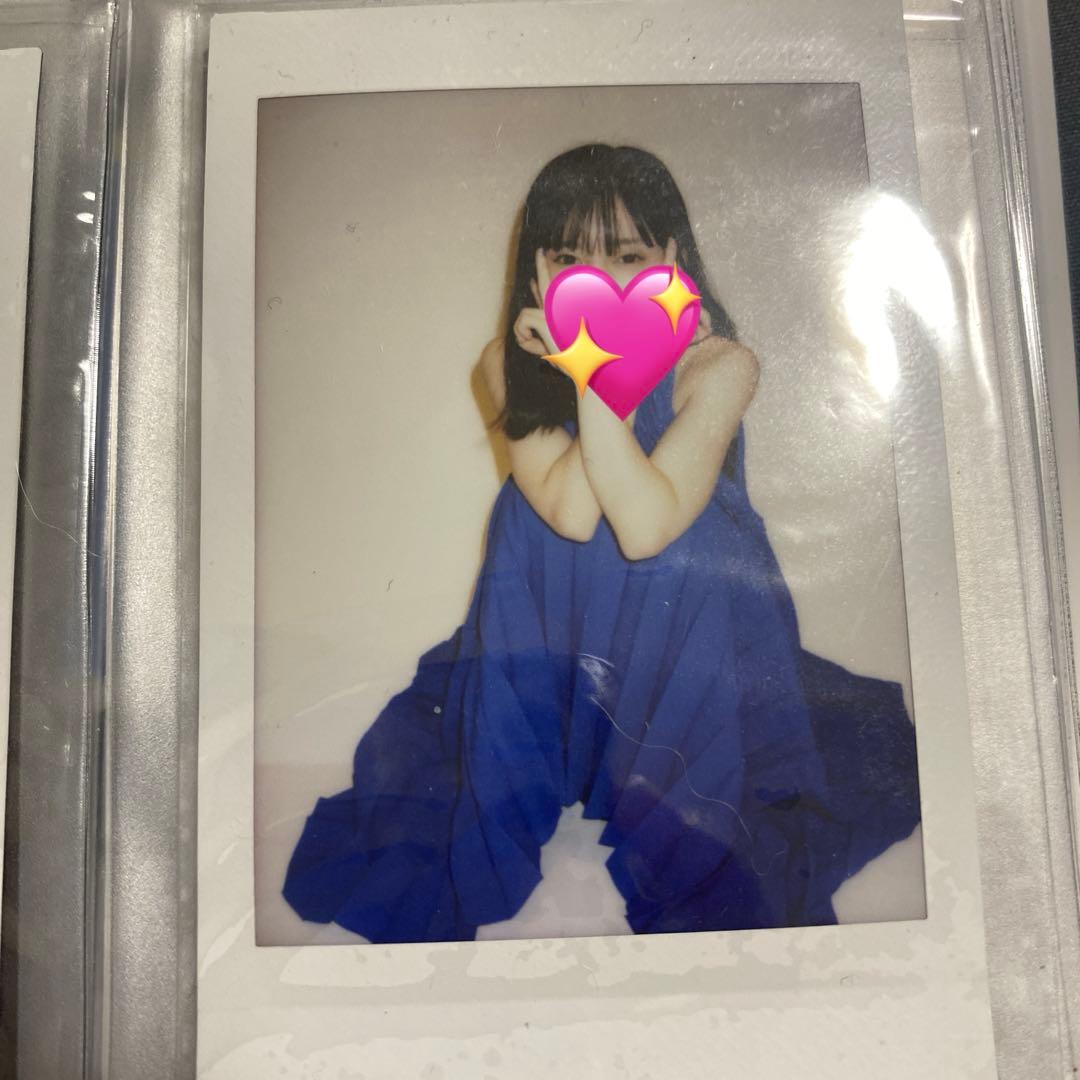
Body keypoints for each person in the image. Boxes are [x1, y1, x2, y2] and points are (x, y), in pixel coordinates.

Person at [282, 143, 921, 943]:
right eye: (568, 258)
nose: (600, 281)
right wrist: (597, 366)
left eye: (627, 256)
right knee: (525, 515)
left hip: (688, 622)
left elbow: (647, 526)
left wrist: (607, 365)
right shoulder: (506, 361)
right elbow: (571, 512)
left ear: (671, 258)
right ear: (536, 268)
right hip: (560, 630)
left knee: (679, 536)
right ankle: (567, 757)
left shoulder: (722, 365)